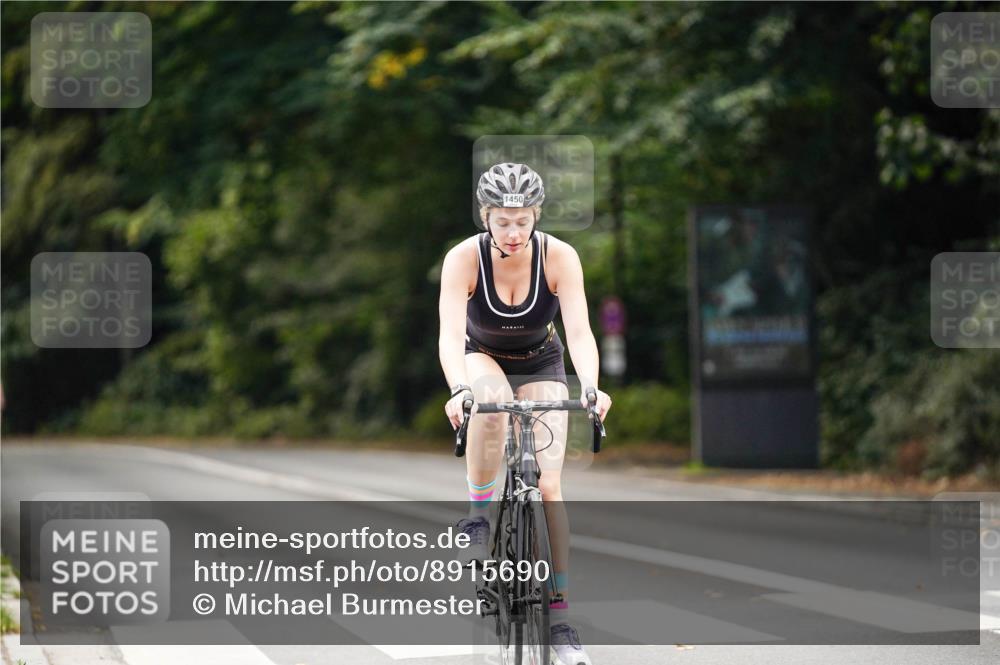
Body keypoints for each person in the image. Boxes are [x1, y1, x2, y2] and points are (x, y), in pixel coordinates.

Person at [437, 162, 611, 665]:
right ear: (485, 217)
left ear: (536, 215)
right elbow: (450, 334)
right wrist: (457, 390)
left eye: (523, 220)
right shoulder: (462, 259)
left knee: (551, 487)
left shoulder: (560, 257)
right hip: (481, 356)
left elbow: (578, 331)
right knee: (489, 406)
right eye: (502, 221)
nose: (513, 233)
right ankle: (478, 515)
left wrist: (592, 387)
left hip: (543, 360)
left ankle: (558, 621)